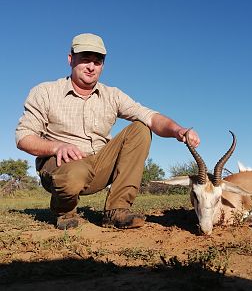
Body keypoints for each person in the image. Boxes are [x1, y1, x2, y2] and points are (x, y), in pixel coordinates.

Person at [16, 33, 200, 230]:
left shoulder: (112, 95)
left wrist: (177, 130)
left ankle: (116, 211)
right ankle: (64, 211)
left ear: (103, 65)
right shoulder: (45, 92)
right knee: (75, 172)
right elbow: (23, 137)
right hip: (63, 166)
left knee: (140, 129)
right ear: (71, 59)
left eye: (97, 61)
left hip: (99, 163)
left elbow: (150, 116)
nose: (91, 66)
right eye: (85, 59)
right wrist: (57, 146)